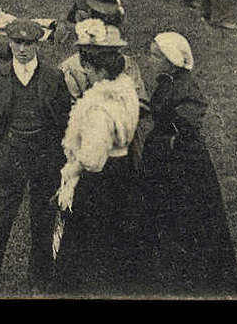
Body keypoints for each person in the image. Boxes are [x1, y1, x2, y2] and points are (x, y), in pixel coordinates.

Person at [50, 20, 155, 294]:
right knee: (117, 234)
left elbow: (93, 159)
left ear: (100, 70)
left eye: (90, 68)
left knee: (87, 244)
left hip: (100, 180)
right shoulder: (126, 89)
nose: (86, 71)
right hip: (121, 169)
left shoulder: (99, 108)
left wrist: (73, 168)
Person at [0, 19, 72, 294]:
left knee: (43, 219)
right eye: (17, 42)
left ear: (37, 44)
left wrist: (55, 154)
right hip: (10, 157)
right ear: (10, 43)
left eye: (28, 44)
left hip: (43, 159)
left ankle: (39, 276)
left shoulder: (53, 77)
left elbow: (65, 119)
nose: (23, 49)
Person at [140, 32, 237, 295]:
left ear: (170, 60)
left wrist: (166, 140)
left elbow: (188, 121)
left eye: (154, 55)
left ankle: (194, 277)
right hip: (167, 159)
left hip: (184, 166)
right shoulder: (169, 80)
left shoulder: (184, 85)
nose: (149, 59)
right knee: (165, 216)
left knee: (187, 217)